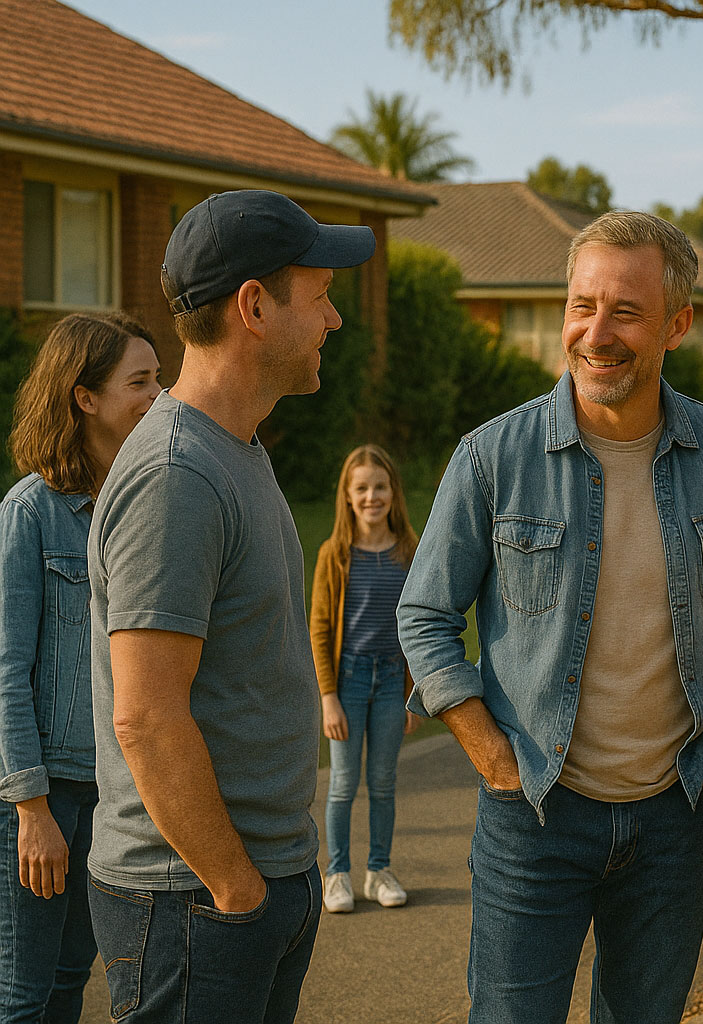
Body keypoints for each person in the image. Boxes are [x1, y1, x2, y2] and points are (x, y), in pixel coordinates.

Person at [398, 210, 703, 1024]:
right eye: (581, 305)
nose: (595, 333)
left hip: (676, 821)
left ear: (678, 324)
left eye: (625, 312)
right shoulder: (492, 457)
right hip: (533, 815)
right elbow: (425, 614)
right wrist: (489, 751)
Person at [86, 189, 375, 1024]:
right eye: (319, 295)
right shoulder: (178, 475)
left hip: (245, 885)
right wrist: (236, 889)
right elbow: (145, 716)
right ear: (255, 306)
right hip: (192, 898)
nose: (334, 320)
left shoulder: (233, 446)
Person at [1, 313, 160, 1024]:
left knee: (71, 984)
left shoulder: (141, 507)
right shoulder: (29, 513)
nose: (160, 393)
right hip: (45, 800)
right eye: (141, 381)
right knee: (23, 997)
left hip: (114, 796)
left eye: (159, 377)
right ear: (84, 397)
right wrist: (32, 810)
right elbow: (6, 671)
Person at [310, 444, 421, 914]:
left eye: (380, 487)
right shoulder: (335, 554)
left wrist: (414, 693)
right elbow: (319, 627)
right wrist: (328, 697)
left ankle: (379, 871)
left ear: (393, 493)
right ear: (348, 496)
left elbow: (421, 624)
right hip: (349, 680)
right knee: (342, 783)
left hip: (393, 681)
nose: (372, 496)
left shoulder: (410, 552)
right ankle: (337, 874)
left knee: (383, 781)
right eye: (362, 489)